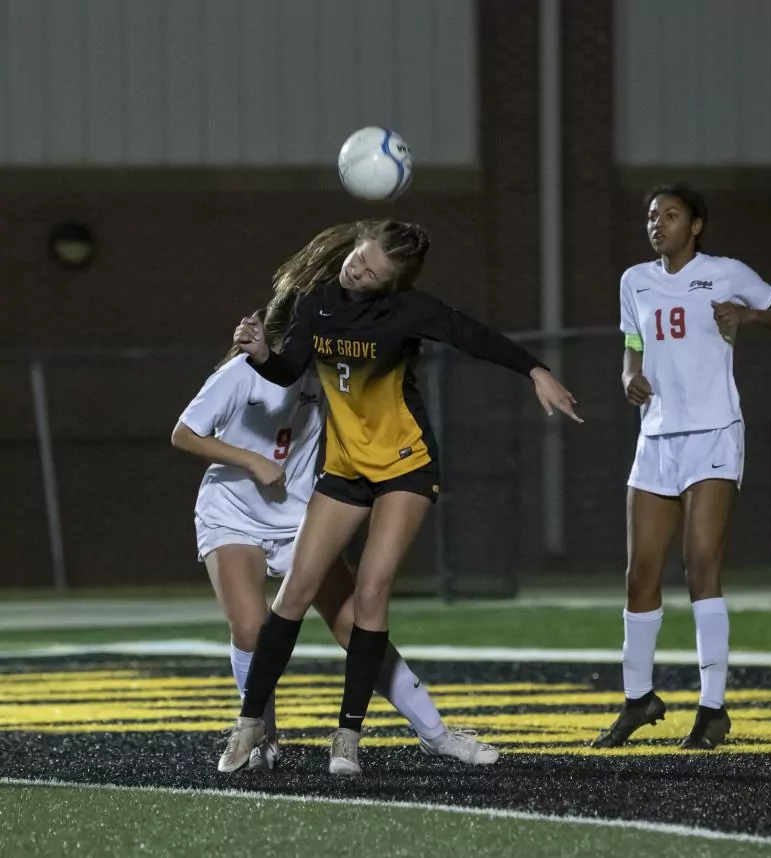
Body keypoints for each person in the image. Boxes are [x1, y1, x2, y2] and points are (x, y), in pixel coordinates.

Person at [219, 219, 583, 775]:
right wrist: (262, 352)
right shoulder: (317, 303)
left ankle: (347, 737)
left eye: (371, 273)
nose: (356, 271)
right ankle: (248, 725)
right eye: (358, 258)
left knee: (371, 591)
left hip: (405, 466)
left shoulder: (409, 311)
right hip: (345, 468)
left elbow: (473, 335)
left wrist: (536, 370)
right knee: (293, 594)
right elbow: (289, 370)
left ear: (389, 285)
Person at [172, 301, 499, 771]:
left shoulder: (326, 377)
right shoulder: (240, 373)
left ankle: (436, 734)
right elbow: (184, 434)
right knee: (250, 625)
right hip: (232, 514)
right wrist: (252, 460)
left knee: (356, 627)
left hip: (300, 518)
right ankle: (260, 735)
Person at [592, 184, 771, 751]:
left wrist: (747, 316)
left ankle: (712, 710)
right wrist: (628, 375)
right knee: (639, 575)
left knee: (701, 566)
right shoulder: (634, 280)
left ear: (696, 225)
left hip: (713, 432)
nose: (658, 223)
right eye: (652, 215)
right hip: (656, 436)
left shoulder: (724, 273)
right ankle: (638, 700)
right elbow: (633, 341)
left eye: (671, 215)